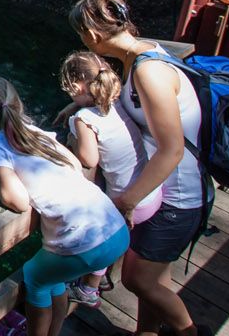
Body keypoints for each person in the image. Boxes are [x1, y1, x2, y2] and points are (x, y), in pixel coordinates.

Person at [69, 0, 215, 336]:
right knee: (153, 275)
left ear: (92, 33)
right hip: (166, 189)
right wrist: (80, 105)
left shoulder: (149, 71)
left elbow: (172, 150)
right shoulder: (143, 55)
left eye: (81, 34)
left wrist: (127, 200)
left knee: (138, 279)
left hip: (177, 196)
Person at [0, 75, 130, 336]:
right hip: (115, 229)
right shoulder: (39, 133)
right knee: (55, 279)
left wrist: (18, 182)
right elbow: (73, 164)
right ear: (17, 101)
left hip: (83, 245)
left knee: (35, 277)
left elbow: (16, 200)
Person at [58, 50, 162, 307]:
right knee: (115, 235)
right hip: (151, 192)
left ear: (77, 85)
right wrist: (75, 105)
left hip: (129, 202)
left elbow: (89, 159)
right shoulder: (115, 102)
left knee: (101, 236)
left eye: (70, 91)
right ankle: (103, 275)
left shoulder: (84, 119)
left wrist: (67, 143)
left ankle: (89, 289)